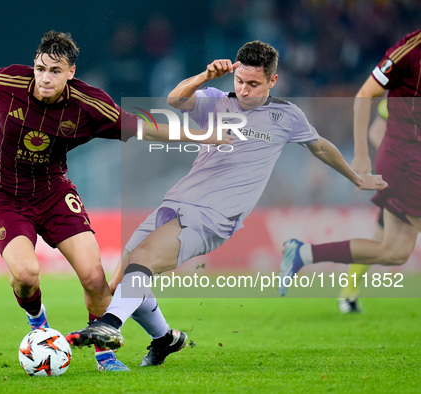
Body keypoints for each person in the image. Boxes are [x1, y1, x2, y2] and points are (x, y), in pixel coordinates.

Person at [0, 31, 227, 372]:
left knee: (95, 278)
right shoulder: (8, 82)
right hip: (4, 196)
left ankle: (104, 356)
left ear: (71, 73)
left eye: (54, 71)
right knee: (25, 275)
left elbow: (144, 128)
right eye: (40, 68)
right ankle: (38, 324)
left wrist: (200, 134)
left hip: (53, 192)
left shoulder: (89, 104)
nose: (45, 77)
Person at [65, 41, 387, 366]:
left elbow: (320, 148)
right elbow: (175, 98)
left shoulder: (286, 115)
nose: (244, 91)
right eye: (240, 81)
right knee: (122, 280)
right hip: (177, 200)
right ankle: (165, 339)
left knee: (144, 260)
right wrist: (205, 76)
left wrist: (355, 176)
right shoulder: (218, 101)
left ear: (272, 82)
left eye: (254, 84)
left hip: (214, 216)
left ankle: (111, 325)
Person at [278, 29, 421, 299]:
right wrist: (361, 153)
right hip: (405, 162)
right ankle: (347, 292)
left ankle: (303, 253)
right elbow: (365, 95)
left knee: (395, 251)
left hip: (409, 160)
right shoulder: (408, 52)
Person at [338, 98, 387, 313]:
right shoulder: (403, 95)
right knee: (381, 240)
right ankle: (348, 293)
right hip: (409, 179)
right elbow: (376, 131)